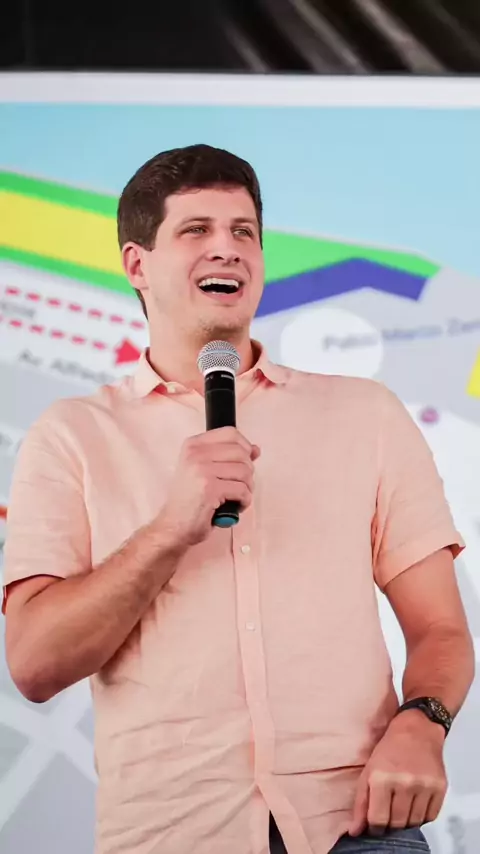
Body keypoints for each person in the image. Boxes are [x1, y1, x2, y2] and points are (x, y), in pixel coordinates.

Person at [2, 144, 474, 854]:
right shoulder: (72, 435)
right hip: (171, 835)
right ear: (137, 265)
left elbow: (440, 628)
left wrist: (423, 723)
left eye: (243, 231)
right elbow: (36, 664)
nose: (226, 248)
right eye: (196, 230)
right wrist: (170, 528)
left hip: (356, 826)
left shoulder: (365, 415)